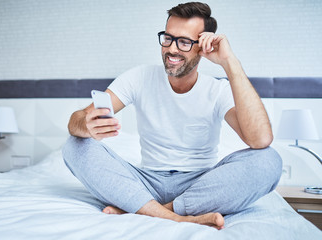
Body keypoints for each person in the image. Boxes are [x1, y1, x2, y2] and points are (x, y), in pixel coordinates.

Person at [62, 2, 282, 229]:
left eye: (185, 42)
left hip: (200, 186)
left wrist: (229, 62)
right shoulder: (139, 77)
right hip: (146, 182)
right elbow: (77, 119)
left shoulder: (217, 90)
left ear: (203, 47)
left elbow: (260, 140)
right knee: (74, 145)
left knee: (269, 161)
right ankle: (174, 216)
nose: (172, 49)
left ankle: (148, 209)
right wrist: (85, 124)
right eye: (168, 38)